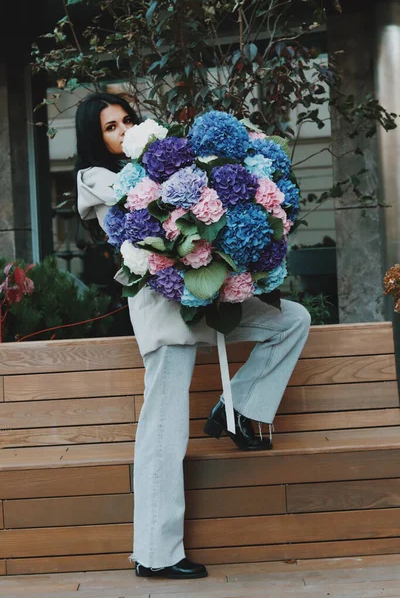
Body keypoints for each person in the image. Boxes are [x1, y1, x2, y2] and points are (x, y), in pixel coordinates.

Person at [76, 92, 311, 581]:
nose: (122, 132)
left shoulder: (156, 165)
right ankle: (156, 554)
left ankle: (236, 406)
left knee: (291, 321)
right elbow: (148, 218)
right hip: (164, 314)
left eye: (126, 121)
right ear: (94, 139)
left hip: (207, 299)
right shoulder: (97, 179)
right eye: (109, 127)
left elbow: (196, 207)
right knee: (163, 433)